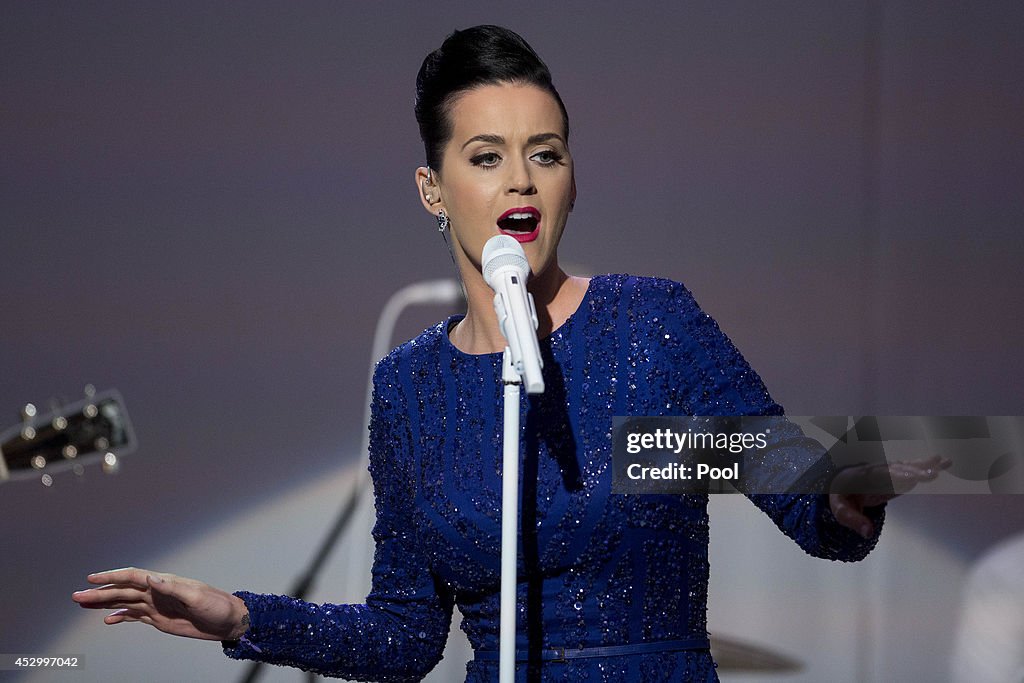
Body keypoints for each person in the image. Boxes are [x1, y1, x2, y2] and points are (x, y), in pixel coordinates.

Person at [72, 25, 946, 682]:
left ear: (571, 179)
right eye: (487, 157)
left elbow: (805, 502)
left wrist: (845, 490)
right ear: (433, 190)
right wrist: (236, 614)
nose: (521, 180)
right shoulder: (409, 386)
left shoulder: (654, 323)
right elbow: (404, 633)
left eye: (546, 154)